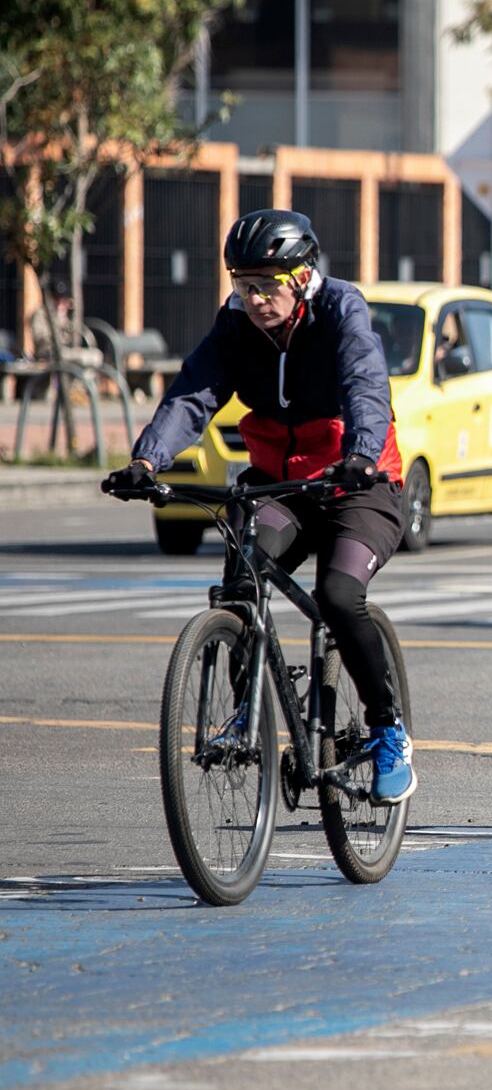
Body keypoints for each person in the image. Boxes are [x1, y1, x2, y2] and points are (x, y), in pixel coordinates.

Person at [100, 209, 416, 804]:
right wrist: (148, 462)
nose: (254, 298)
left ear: (301, 278)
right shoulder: (236, 325)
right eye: (243, 285)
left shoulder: (341, 309)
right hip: (282, 486)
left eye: (266, 285)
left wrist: (362, 452)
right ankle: (248, 716)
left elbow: (366, 385)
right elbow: (195, 393)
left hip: (361, 484)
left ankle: (387, 730)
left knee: (339, 597)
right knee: (240, 583)